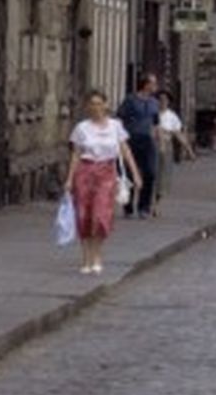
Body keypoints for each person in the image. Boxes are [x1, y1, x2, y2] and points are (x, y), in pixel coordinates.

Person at [65, 91, 143, 274]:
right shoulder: (81, 128)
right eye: (92, 104)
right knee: (83, 215)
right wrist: (69, 179)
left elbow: (125, 150)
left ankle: (97, 254)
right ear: (87, 107)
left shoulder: (116, 126)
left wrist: (135, 174)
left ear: (106, 105)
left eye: (99, 103)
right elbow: (75, 155)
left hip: (107, 172)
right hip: (85, 171)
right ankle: (86, 257)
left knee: (100, 215)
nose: (96, 107)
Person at [117, 73, 160, 219]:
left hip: (148, 141)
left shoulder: (154, 102)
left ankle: (144, 206)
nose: (155, 86)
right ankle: (128, 206)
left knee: (150, 172)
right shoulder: (131, 100)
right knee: (129, 173)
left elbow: (156, 122)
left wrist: (157, 138)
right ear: (145, 84)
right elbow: (120, 117)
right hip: (132, 139)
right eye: (153, 83)